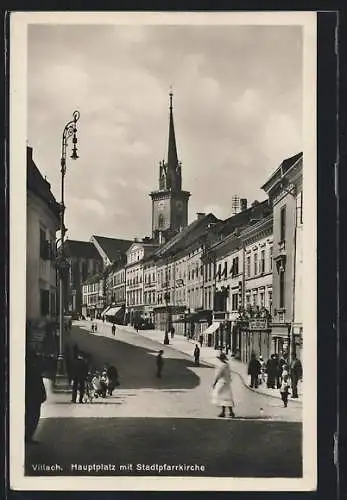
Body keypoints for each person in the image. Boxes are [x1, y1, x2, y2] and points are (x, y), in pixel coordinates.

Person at [25, 349, 47, 443]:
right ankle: (28, 436)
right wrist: (43, 394)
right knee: (33, 416)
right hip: (34, 396)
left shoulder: (27, 368)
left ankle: (27, 436)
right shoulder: (34, 369)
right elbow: (39, 383)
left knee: (30, 415)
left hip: (30, 396)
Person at [211, 352, 235, 418]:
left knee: (221, 396)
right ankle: (231, 412)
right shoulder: (227, 365)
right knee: (227, 397)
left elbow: (218, 375)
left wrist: (214, 382)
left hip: (221, 382)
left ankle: (223, 412)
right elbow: (229, 374)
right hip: (227, 383)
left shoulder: (221, 365)